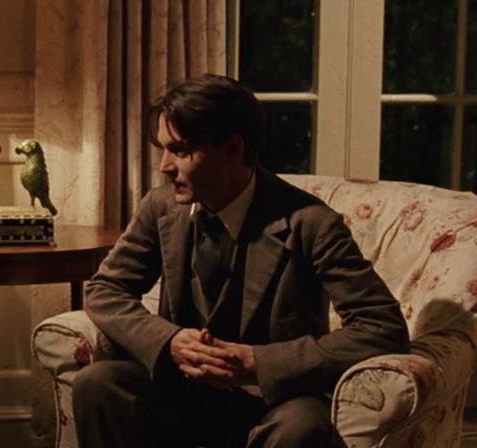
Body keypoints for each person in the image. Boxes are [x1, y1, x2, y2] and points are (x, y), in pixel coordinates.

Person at [73, 74, 410, 447]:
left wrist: (257, 362)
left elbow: (382, 327)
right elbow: (105, 290)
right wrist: (169, 341)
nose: (164, 166)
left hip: (272, 403)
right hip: (180, 393)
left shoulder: (311, 223)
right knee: (98, 383)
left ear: (233, 149)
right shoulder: (161, 207)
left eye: (180, 150)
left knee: (303, 425)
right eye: (163, 150)